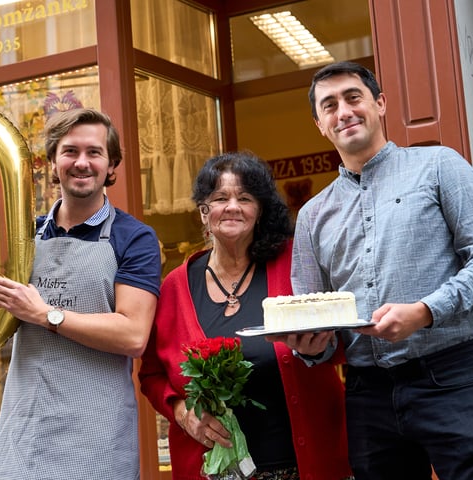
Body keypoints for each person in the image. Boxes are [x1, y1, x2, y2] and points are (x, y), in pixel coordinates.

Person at [278, 61, 473, 479]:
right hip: (367, 393)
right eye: (329, 106)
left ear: (380, 103)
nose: (344, 111)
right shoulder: (313, 215)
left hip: (449, 377)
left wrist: (424, 311)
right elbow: (315, 314)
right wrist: (310, 348)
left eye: (354, 97)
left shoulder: (440, 166)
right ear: (320, 124)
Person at [0, 108, 162, 479]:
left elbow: (133, 335)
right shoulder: (22, 237)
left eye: (94, 152)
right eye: (70, 151)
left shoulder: (134, 238)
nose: (82, 162)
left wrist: (44, 314)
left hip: (97, 440)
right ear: (53, 161)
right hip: (24, 436)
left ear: (111, 164)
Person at [139, 152, 352, 480]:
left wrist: (319, 349)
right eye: (220, 197)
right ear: (203, 211)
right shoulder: (174, 287)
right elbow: (151, 374)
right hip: (215, 471)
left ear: (260, 210)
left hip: (306, 465)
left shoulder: (296, 260)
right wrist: (181, 413)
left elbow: (342, 340)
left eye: (245, 197)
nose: (232, 206)